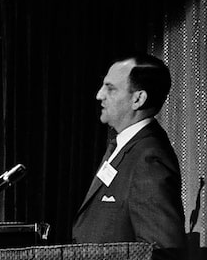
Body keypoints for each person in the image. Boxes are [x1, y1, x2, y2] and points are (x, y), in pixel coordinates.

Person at [71, 53, 185, 248]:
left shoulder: (149, 158)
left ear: (138, 99)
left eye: (111, 89)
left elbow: (162, 249)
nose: (99, 95)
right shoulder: (123, 145)